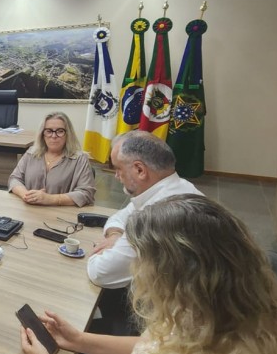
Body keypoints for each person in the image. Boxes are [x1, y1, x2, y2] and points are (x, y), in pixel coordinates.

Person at [21, 194, 277, 354]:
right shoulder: (209, 311)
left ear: (173, 273)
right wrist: (79, 340)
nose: (136, 269)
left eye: (140, 258)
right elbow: (159, 344)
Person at [87, 130, 203, 335]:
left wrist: (102, 249)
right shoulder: (175, 188)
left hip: (178, 329)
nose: (116, 176)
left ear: (140, 170)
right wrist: (115, 236)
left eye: (118, 169)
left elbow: (101, 272)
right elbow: (119, 217)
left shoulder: (159, 215)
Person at [8, 111, 95, 206]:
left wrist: (50, 199)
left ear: (68, 134)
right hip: (29, 211)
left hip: (61, 215)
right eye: (49, 131)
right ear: (42, 134)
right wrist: (27, 195)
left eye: (60, 131)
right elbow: (14, 179)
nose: (54, 136)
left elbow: (86, 193)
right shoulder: (31, 153)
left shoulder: (80, 159)